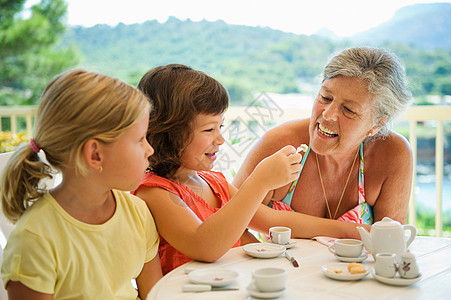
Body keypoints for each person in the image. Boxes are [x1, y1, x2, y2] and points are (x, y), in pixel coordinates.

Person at [0, 69, 162, 299]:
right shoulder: (34, 240)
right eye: (139, 139)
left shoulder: (137, 213)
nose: (150, 149)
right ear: (95, 154)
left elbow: (155, 294)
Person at [133, 64, 302, 275]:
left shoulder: (215, 183)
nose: (221, 140)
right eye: (209, 129)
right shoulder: (154, 192)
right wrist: (260, 181)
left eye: (220, 127)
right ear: (169, 132)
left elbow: (267, 223)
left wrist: (346, 230)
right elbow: (205, 245)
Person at [233, 47, 413, 238]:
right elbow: (228, 217)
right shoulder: (279, 144)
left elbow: (389, 243)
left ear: (376, 124)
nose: (327, 114)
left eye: (349, 110)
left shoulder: (393, 154)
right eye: (325, 97)